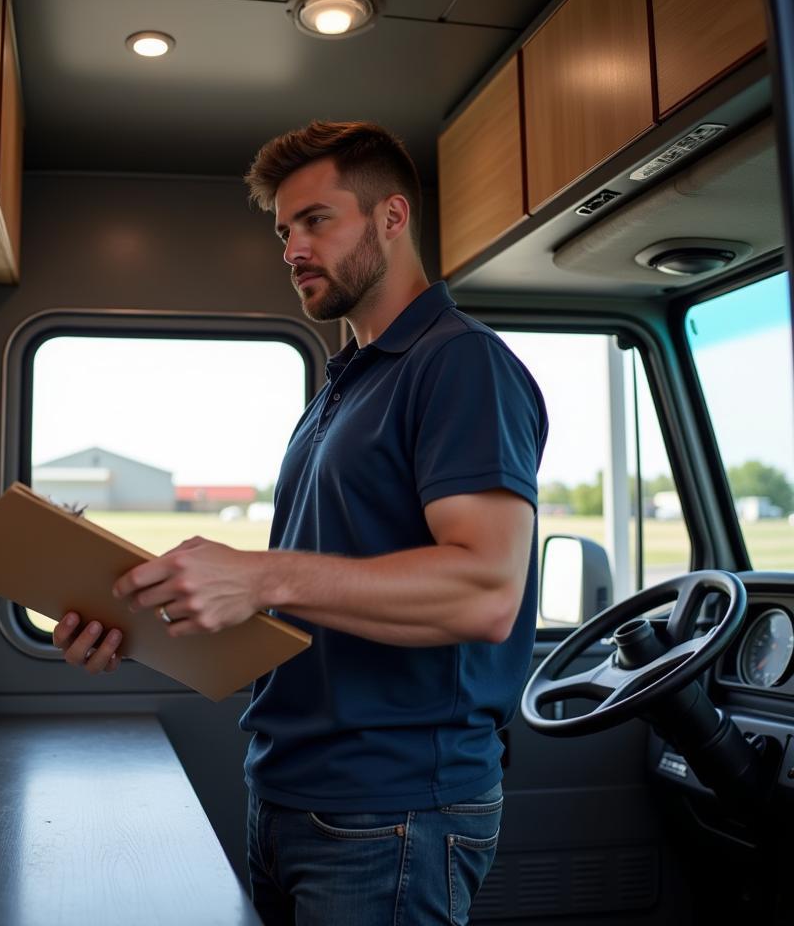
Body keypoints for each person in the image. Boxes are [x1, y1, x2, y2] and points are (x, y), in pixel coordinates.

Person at [53, 121, 548, 925]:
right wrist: (132, 615)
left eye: (317, 220)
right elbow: (309, 603)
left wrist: (260, 573)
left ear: (392, 218)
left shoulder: (462, 364)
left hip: (392, 813)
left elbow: (486, 591)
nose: (291, 248)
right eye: (284, 229)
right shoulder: (338, 392)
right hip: (286, 792)